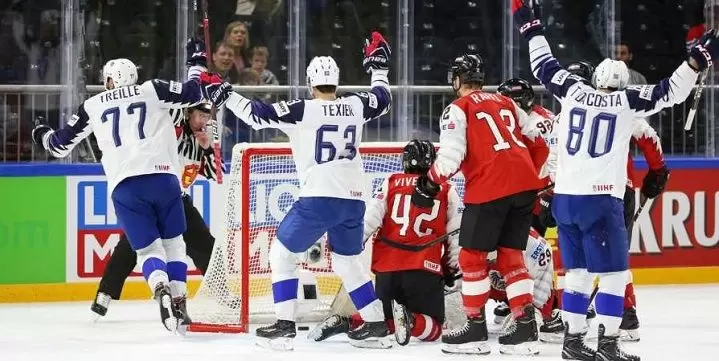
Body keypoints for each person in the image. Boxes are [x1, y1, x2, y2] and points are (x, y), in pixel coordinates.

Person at [512, 0, 717, 359]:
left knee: (574, 273)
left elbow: (543, 65)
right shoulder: (626, 102)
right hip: (601, 200)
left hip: (566, 199)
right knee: (612, 275)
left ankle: (573, 342)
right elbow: (671, 91)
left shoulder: (572, 92)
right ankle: (608, 344)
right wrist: (696, 62)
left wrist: (528, 25)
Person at [219, 31, 392, 350]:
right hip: (355, 199)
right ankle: (375, 323)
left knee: (281, 253)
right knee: (347, 263)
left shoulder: (302, 109)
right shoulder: (355, 105)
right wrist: (378, 67)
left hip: (319, 196)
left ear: (310, 81)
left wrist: (226, 93)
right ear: (336, 81)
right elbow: (382, 99)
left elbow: (256, 115)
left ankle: (285, 324)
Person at [31, 58, 231, 332]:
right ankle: (179, 302)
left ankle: (159, 286)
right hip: (163, 180)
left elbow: (58, 146)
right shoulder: (153, 90)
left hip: (125, 186)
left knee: (146, 250)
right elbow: (194, 92)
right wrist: (196, 65)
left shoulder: (93, 105)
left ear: (109, 81)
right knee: (175, 246)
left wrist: (40, 132)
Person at [412, 54, 548, 355]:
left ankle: (475, 328)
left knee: (472, 259)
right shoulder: (507, 102)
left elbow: (450, 156)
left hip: (489, 189)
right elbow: (538, 141)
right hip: (525, 187)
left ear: (458, 80)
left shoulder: (456, 109)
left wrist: (430, 182)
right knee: (512, 257)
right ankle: (525, 326)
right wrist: (531, 176)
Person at [539, 60, 669, 343]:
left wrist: (551, 187)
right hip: (614, 192)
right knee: (614, 261)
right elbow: (649, 140)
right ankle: (623, 313)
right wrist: (658, 171)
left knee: (577, 263)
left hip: (575, 192)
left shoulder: (563, 116)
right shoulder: (621, 107)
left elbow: (552, 157)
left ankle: (573, 318)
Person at [308, 139, 462, 346]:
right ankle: (411, 320)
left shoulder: (391, 182)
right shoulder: (447, 189)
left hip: (387, 270)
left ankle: (348, 322)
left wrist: (350, 246)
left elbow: (369, 220)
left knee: (380, 320)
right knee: (434, 328)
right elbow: (456, 235)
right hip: (424, 269)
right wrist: (452, 269)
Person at [90, 100, 222, 320]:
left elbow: (217, 174)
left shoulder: (202, 140)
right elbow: (173, 102)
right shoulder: (171, 125)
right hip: (153, 190)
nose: (203, 121)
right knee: (131, 247)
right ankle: (105, 293)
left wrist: (209, 147)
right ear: (188, 113)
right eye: (199, 115)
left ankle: (221, 292)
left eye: (207, 117)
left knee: (205, 244)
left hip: (175, 200)